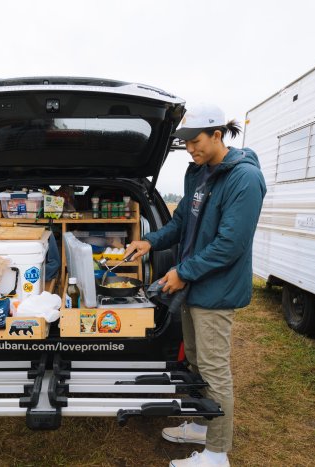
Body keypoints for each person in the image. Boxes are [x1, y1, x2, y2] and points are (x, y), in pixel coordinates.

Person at [125, 103, 266, 467]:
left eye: (195, 141)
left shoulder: (243, 179)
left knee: (216, 370)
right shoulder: (199, 174)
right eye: (185, 143)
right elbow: (181, 223)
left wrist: (183, 273)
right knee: (199, 365)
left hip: (216, 291)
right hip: (195, 287)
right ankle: (205, 424)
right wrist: (150, 241)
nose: (189, 149)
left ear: (218, 134)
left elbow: (229, 245)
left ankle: (217, 455)